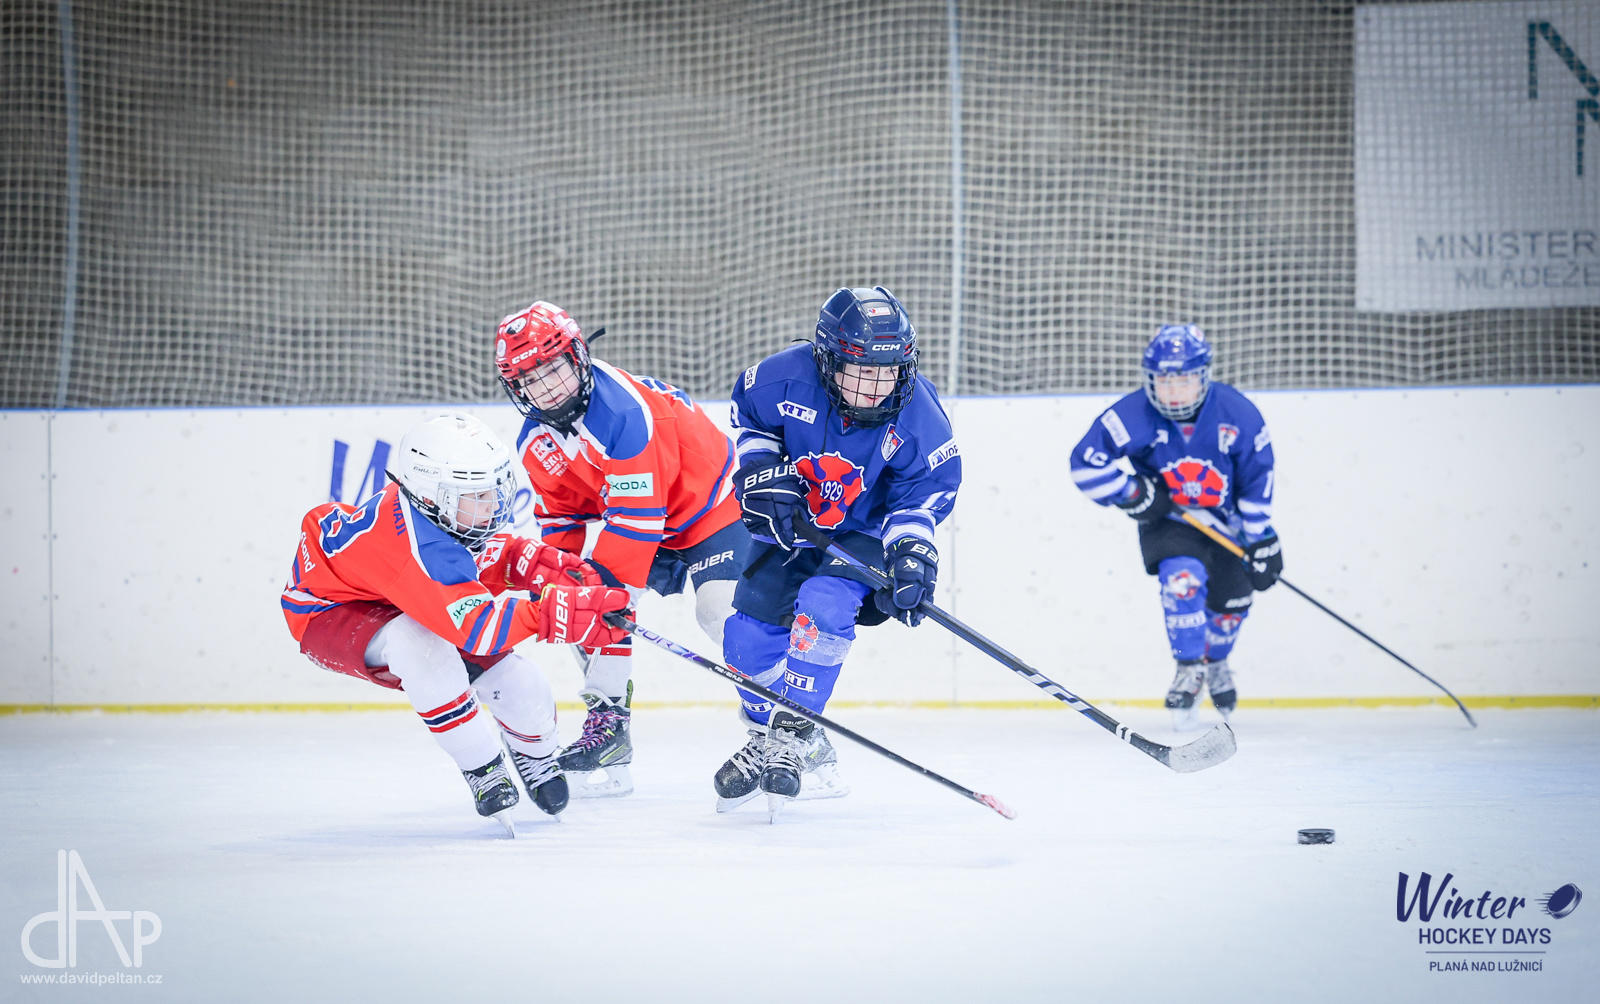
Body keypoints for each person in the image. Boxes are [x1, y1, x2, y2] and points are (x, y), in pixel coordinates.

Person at [281, 413, 632, 834]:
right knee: (420, 646)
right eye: (477, 496)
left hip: (392, 590)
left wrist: (531, 562)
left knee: (522, 685)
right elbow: (478, 630)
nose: (492, 506)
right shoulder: (416, 545)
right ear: (432, 495)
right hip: (329, 611)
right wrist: (556, 614)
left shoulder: (440, 515)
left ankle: (536, 755)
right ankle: (482, 766)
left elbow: (479, 558)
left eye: (494, 491)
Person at [716, 285, 961, 817]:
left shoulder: (920, 417)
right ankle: (769, 733)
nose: (876, 387)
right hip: (795, 521)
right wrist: (761, 472)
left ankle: (796, 731)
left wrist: (912, 555)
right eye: (861, 371)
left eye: (888, 371)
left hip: (866, 531)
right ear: (827, 360)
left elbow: (922, 493)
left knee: (824, 605)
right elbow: (752, 421)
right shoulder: (781, 377)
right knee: (744, 641)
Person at [493, 300, 753, 797]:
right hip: (648, 519)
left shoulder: (623, 412)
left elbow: (638, 521)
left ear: (578, 356)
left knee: (720, 612)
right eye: (530, 379)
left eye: (553, 368)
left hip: (713, 506)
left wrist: (597, 594)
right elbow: (562, 521)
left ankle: (785, 730)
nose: (547, 387)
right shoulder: (534, 442)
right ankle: (609, 727)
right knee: (574, 598)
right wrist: (558, 583)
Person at [1068, 324, 1282, 729]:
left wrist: (1260, 538)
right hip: (1169, 521)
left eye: (1183, 380)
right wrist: (1133, 492)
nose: (1173, 392)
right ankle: (1189, 668)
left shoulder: (1239, 414)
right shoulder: (1132, 414)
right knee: (1182, 581)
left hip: (1228, 524)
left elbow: (1258, 477)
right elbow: (1085, 464)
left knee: (1232, 607)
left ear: (1203, 377)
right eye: (1164, 381)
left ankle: (1216, 661)